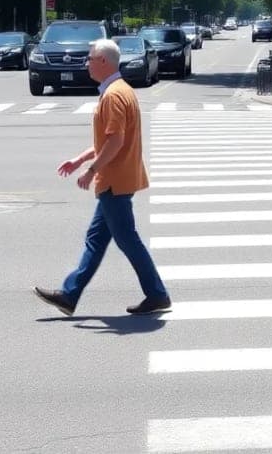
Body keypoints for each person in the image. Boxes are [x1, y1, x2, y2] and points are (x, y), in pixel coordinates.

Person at [34, 39, 171, 317]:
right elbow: (108, 140)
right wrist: (80, 160)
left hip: (114, 181)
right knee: (97, 240)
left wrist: (92, 170)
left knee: (127, 240)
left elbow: (116, 141)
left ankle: (157, 294)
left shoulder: (112, 96)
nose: (86, 63)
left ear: (104, 62)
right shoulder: (121, 90)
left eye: (90, 58)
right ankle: (70, 295)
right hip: (116, 178)